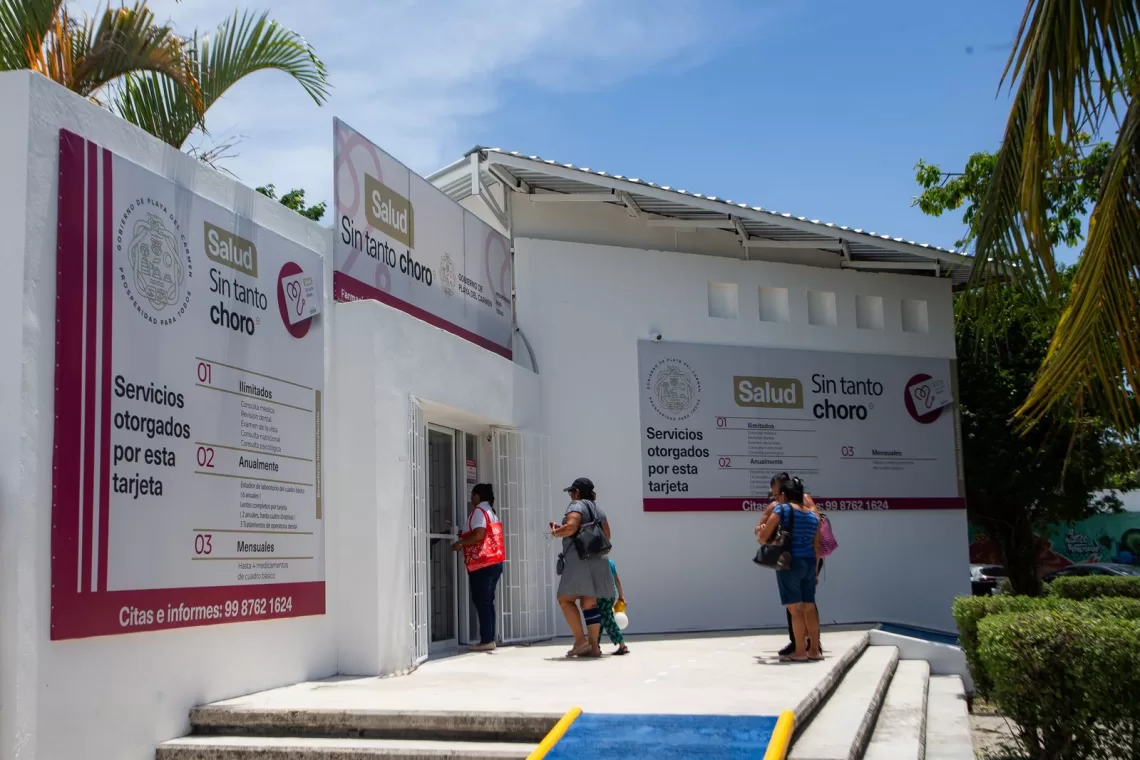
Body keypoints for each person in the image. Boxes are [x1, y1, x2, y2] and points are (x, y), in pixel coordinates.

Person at [756, 474, 826, 658]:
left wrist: (762, 532)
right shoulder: (813, 515)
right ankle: (814, 651)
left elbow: (763, 537)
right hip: (810, 562)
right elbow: (817, 545)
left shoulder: (783, 510)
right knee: (809, 607)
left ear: (785, 494)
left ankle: (800, 651)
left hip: (790, 563)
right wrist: (816, 571)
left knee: (795, 610)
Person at [550, 477, 613, 658]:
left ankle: (580, 641)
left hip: (580, 560)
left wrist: (556, 532)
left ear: (577, 492)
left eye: (571, 492)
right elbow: (607, 535)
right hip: (599, 560)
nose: (570, 495)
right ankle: (593, 647)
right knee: (589, 602)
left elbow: (570, 528)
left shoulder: (576, 506)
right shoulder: (598, 509)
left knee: (564, 599)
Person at [452, 483, 505, 652]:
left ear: (477, 496)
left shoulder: (478, 512)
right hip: (495, 562)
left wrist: (460, 543)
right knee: (488, 601)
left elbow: (479, 534)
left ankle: (487, 640)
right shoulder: (491, 512)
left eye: (472, 494)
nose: (471, 498)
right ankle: (489, 637)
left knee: (482, 601)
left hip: (482, 564)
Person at [596, 558, 629, 655]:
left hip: (601, 596)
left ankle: (622, 645)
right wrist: (621, 595)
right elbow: (617, 580)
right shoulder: (610, 563)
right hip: (610, 596)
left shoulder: (594, 563)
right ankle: (595, 645)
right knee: (599, 621)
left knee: (607, 620)